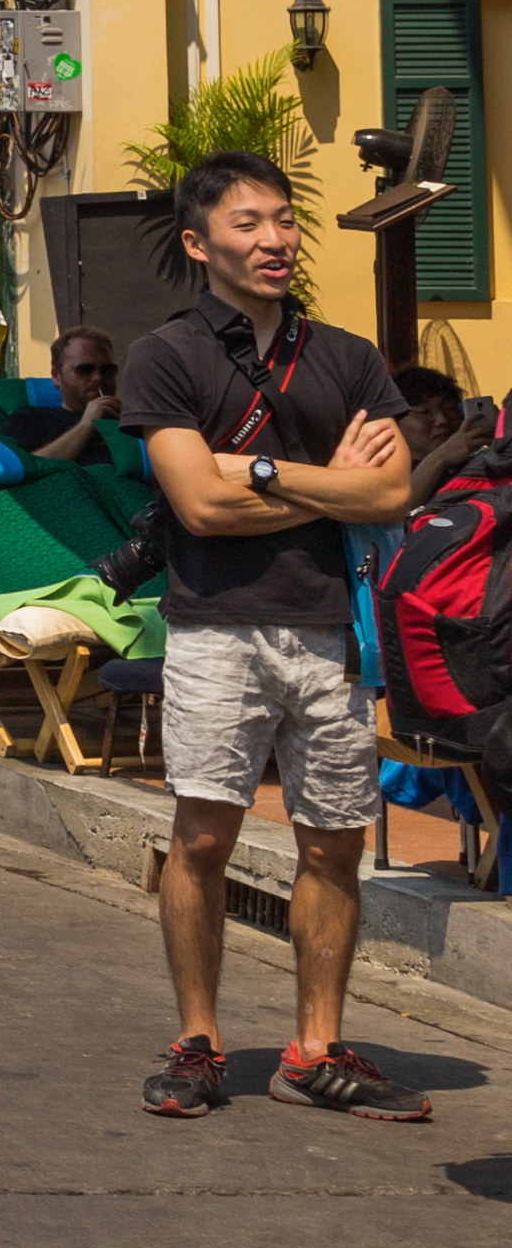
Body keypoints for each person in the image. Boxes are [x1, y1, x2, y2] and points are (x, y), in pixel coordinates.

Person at [123, 152, 453, 1118]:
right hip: (216, 630)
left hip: (326, 631)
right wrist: (321, 487)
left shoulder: (346, 356)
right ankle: (198, 1041)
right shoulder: (168, 356)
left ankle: (314, 1050)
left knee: (333, 846)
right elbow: (196, 508)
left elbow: (393, 489)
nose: (273, 240)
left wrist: (258, 474)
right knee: (202, 836)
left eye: (284, 220)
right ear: (199, 243)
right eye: (247, 224)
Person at [17, 329, 124, 465]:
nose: (98, 378)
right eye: (85, 369)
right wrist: (85, 426)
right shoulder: (31, 419)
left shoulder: (133, 420)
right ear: (57, 376)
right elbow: (25, 467)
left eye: (107, 370)